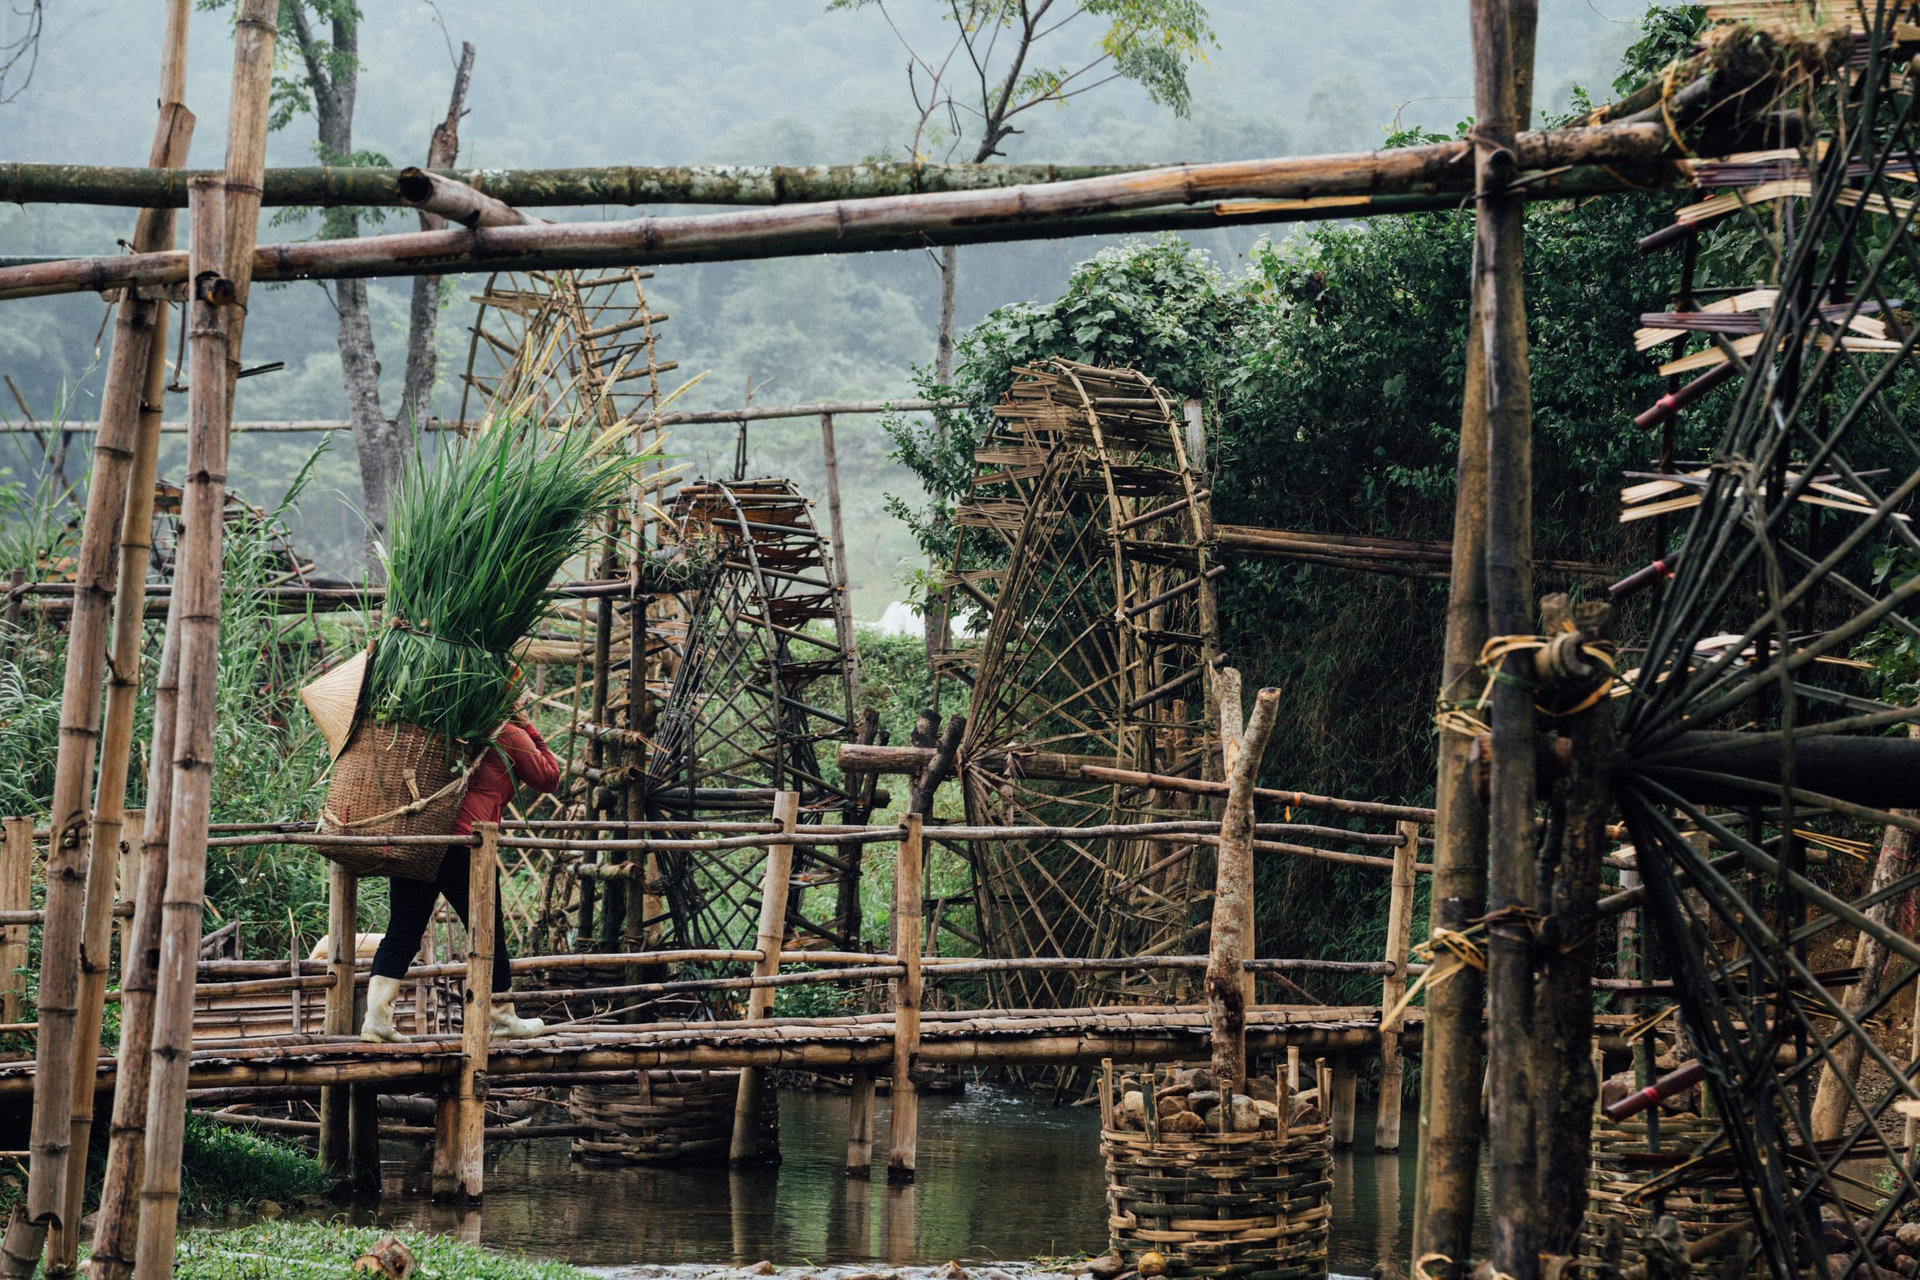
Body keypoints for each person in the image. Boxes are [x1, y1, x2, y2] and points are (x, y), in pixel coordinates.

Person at [361, 703, 561, 1043]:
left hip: (422, 836)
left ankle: (377, 1021)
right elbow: (549, 777)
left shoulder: (438, 722)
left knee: (403, 930)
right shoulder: (505, 733)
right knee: (487, 928)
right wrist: (528, 727)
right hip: (466, 846)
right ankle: (499, 1017)